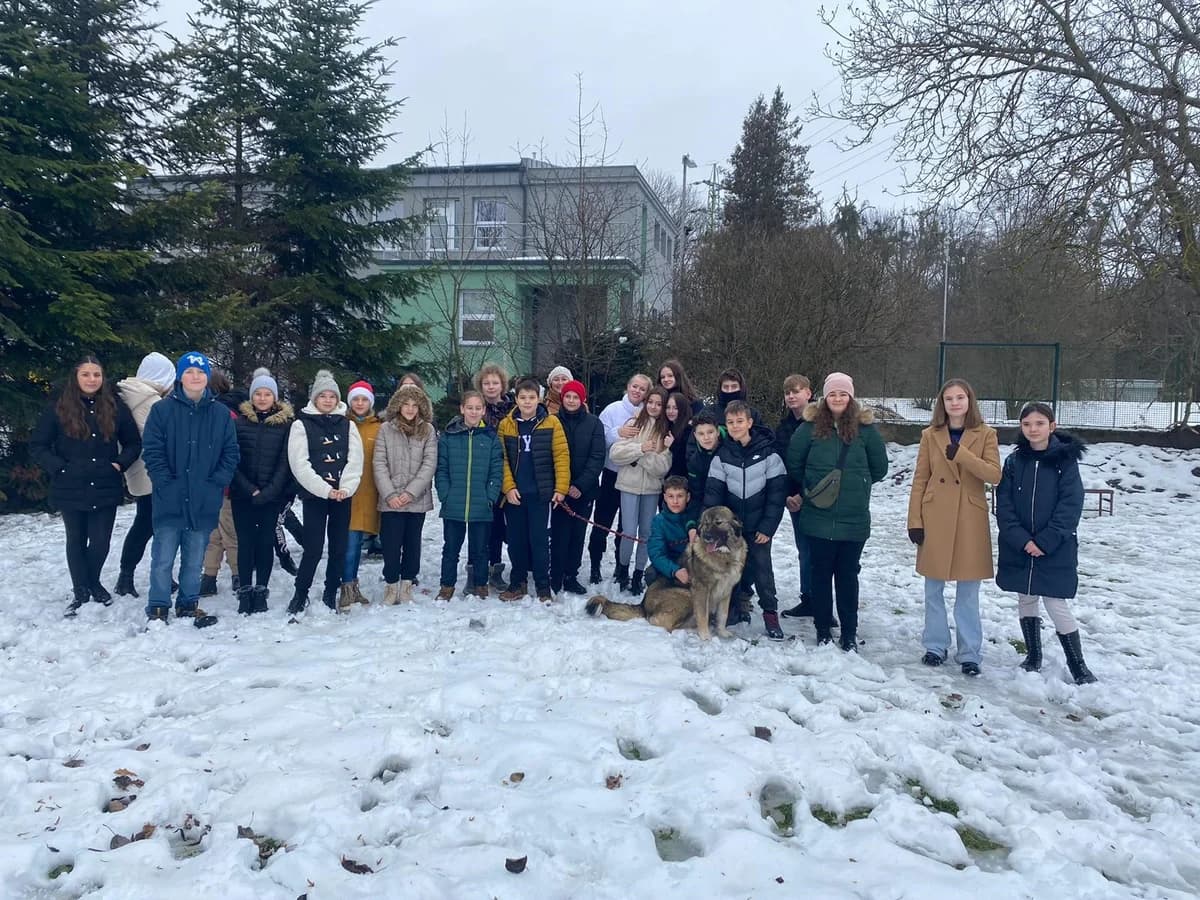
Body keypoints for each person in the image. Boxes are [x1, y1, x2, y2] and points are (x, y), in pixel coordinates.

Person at [31, 355, 141, 616]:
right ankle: (81, 589)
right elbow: (38, 445)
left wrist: (118, 464)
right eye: (86, 374)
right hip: (70, 484)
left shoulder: (115, 407)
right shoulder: (58, 407)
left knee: (101, 542)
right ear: (76, 377)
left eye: (97, 374)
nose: (92, 379)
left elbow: (133, 443)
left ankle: (93, 581)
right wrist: (59, 467)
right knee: (76, 540)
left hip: (105, 483)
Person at [786, 373, 889, 650]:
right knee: (820, 574)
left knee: (847, 577)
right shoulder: (808, 429)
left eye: (843, 394)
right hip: (817, 515)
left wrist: (858, 484)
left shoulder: (865, 430)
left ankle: (849, 633)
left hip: (853, 518)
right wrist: (812, 487)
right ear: (824, 397)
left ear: (851, 397)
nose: (838, 399)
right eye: (833, 394)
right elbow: (794, 462)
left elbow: (880, 468)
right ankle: (822, 630)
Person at [995, 402, 1096, 684]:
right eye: (1027, 424)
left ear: (1051, 426)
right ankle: (1033, 655)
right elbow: (1004, 504)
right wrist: (1021, 539)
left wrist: (1045, 541)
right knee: (1026, 597)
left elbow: (1070, 505)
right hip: (1020, 545)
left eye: (1039, 424)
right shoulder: (1014, 462)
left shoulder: (1065, 461)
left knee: (1055, 602)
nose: (1033, 429)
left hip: (1055, 547)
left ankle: (1078, 665)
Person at [907, 378, 1001, 676]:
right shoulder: (929, 435)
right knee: (933, 588)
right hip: (935, 516)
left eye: (960, 397)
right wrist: (915, 520)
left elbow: (994, 475)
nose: (955, 403)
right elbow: (920, 479)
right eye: (949, 399)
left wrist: (961, 454)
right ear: (942, 403)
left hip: (969, 519)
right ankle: (935, 646)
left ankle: (969, 652)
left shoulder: (986, 434)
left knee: (968, 593)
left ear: (969, 401)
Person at [141, 351, 239, 624]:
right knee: (163, 558)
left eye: (200, 372)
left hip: (203, 499)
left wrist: (217, 483)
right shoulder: (162, 410)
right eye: (189, 372)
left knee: (195, 558)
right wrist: (164, 482)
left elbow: (230, 453)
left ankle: (187, 603)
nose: (195, 377)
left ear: (207, 377)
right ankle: (158, 605)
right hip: (169, 497)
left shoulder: (220, 414)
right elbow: (152, 450)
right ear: (180, 376)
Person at [703, 401, 788, 639]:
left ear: (750, 423)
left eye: (740, 421)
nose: (735, 426)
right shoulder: (722, 455)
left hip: (759, 526)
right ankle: (733, 608)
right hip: (731, 530)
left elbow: (777, 494)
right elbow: (713, 494)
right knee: (729, 569)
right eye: (730, 422)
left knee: (762, 570)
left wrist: (768, 526)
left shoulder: (769, 454)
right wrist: (715, 527)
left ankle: (770, 613)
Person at [286, 370, 363, 614]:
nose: (328, 400)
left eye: (332, 396)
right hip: (315, 496)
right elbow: (299, 463)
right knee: (314, 547)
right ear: (315, 398)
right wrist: (324, 489)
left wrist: (345, 488)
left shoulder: (348, 424)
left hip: (343, 495)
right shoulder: (301, 425)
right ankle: (301, 592)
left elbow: (355, 459)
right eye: (323, 396)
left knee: (339, 547)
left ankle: (331, 591)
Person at [497, 378, 570, 602]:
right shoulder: (506, 425)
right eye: (522, 397)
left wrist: (560, 488)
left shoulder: (551, 423)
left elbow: (561, 456)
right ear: (516, 399)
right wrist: (508, 487)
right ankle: (517, 582)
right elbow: (502, 460)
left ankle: (542, 585)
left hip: (541, 495)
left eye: (531, 397)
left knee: (539, 542)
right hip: (515, 497)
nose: (527, 402)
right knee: (516, 541)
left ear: (538, 398)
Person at [229, 368, 294, 615]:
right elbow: (231, 458)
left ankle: (261, 589)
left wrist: (270, 491)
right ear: (252, 396)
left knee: (265, 542)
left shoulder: (286, 426)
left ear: (275, 397)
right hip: (243, 494)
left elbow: (285, 462)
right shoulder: (239, 423)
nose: (263, 398)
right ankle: (245, 590)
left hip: (271, 495)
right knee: (245, 543)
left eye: (268, 394)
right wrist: (247, 488)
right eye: (259, 393)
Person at [114, 352, 176, 597]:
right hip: (154, 472)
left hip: (139, 470)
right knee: (151, 526)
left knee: (148, 524)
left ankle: (133, 575)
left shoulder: (129, 393)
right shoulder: (150, 401)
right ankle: (127, 576)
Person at [435, 390, 503, 599]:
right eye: (470, 408)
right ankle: (447, 586)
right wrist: (445, 494)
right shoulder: (449, 437)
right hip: (454, 503)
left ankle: (481, 585)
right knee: (451, 549)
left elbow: (496, 470)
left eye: (478, 408)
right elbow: (442, 469)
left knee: (480, 549)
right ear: (462, 409)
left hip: (481, 503)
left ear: (483, 410)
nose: (473, 412)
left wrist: (490, 496)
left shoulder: (490, 438)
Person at [374, 383, 437, 605]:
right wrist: (390, 494)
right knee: (391, 544)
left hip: (416, 499)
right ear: (398, 406)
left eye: (414, 405)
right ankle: (391, 585)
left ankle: (407, 584)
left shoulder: (427, 431)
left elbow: (429, 464)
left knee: (412, 543)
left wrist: (410, 493)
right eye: (405, 404)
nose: (410, 409)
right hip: (390, 499)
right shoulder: (385, 429)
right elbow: (379, 463)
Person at [588, 373, 651, 583]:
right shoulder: (612, 409)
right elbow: (600, 438)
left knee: (626, 527)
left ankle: (620, 566)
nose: (637, 391)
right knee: (602, 522)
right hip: (612, 473)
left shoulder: (648, 413)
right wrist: (619, 432)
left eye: (642, 389)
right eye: (635, 386)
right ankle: (595, 567)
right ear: (628, 386)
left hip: (634, 477)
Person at [610, 386, 672, 594]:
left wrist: (643, 457)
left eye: (658, 404)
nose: (654, 407)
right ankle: (623, 568)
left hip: (652, 489)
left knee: (646, 533)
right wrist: (640, 449)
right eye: (651, 402)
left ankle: (638, 573)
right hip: (629, 484)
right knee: (628, 532)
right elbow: (616, 454)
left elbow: (662, 468)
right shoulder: (634, 423)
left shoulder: (665, 432)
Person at [550, 380, 606, 594]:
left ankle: (571, 575)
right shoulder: (553, 421)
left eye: (575, 397)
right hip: (559, 490)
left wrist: (580, 485)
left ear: (582, 400)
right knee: (558, 534)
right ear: (562, 398)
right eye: (568, 397)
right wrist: (561, 486)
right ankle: (555, 575)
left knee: (577, 534)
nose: (571, 401)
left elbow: (597, 456)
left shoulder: (594, 423)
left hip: (585, 490)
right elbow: (548, 455)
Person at [775, 375, 817, 619]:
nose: (791, 396)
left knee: (819, 551)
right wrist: (787, 495)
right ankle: (808, 598)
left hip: (818, 497)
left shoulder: (821, 424)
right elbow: (781, 463)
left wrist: (803, 494)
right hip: (793, 499)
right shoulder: (783, 428)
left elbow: (819, 464)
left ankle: (822, 600)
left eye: (796, 391)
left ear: (808, 393)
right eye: (787, 392)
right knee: (804, 550)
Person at [199, 370, 241, 597]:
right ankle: (214, 575)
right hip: (217, 485)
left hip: (220, 485)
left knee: (221, 532)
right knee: (220, 532)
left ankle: (220, 574)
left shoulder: (221, 414)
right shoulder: (232, 412)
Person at [342, 380, 381, 608]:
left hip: (368, 492)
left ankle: (353, 585)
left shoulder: (378, 427)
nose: (359, 403)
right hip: (346, 494)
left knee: (357, 544)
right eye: (355, 399)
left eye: (364, 399)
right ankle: (346, 586)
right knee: (349, 543)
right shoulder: (342, 424)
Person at [476, 362, 514, 589]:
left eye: (495, 383)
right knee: (483, 525)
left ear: (502, 385)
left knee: (502, 526)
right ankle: (479, 568)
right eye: (486, 383)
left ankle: (497, 567)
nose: (491, 387)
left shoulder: (512, 409)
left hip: (508, 473)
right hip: (481, 474)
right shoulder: (475, 407)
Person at [646, 476, 693, 587]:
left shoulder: (693, 517)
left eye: (680, 496)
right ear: (665, 498)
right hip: (671, 562)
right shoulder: (659, 521)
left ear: (688, 497)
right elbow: (656, 553)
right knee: (651, 574)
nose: (675, 501)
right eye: (671, 496)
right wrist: (675, 570)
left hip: (692, 564)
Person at [663, 391, 692, 478]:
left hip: (682, 480)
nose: (671, 411)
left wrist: (672, 445)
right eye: (668, 407)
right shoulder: (668, 426)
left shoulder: (689, 429)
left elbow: (686, 459)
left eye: (675, 408)